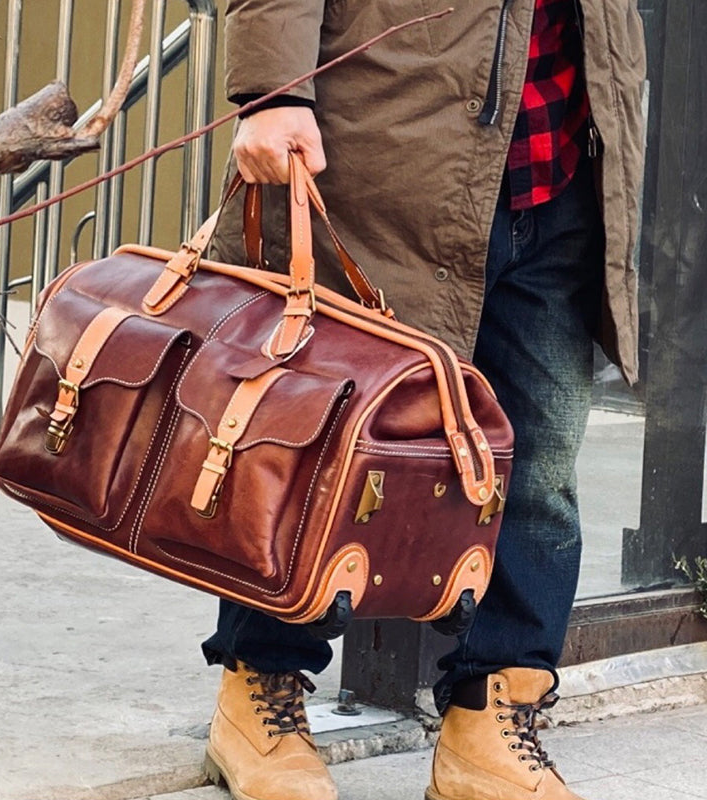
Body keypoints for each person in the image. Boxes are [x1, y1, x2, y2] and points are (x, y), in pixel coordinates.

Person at [201, 2, 647, 799]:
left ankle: (491, 715)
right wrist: (275, 89)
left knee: (536, 465)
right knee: (319, 442)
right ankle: (258, 687)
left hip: (561, 161)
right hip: (385, 146)